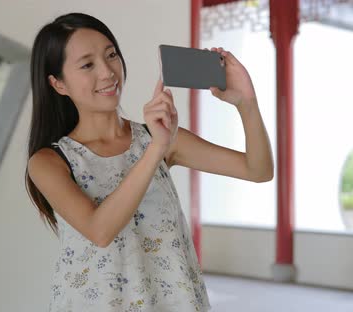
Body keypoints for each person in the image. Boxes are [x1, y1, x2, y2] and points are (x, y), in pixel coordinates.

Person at [25, 12, 273, 312]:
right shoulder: (49, 162)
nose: (107, 72)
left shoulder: (161, 138)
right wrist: (157, 148)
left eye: (111, 55)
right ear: (58, 83)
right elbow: (100, 230)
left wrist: (246, 103)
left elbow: (258, 170)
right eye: (87, 65)